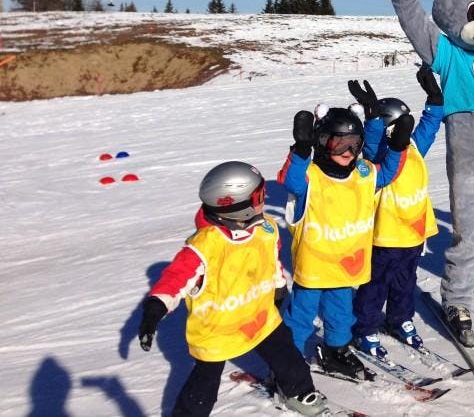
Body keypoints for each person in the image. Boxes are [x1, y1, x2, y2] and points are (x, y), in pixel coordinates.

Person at [136, 161, 329, 416]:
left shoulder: (266, 228)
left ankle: (297, 391)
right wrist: (154, 311)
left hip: (260, 317)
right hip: (218, 330)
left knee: (289, 359)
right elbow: (174, 281)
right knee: (203, 388)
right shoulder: (205, 246)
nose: (266, 198)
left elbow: (271, 263)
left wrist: (279, 288)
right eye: (260, 196)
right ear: (237, 206)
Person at [278, 103, 411, 379]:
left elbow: (385, 175)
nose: (346, 152)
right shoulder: (311, 178)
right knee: (301, 316)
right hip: (314, 269)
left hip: (345, 266)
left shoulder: (362, 173)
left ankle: (336, 349)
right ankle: (287, 361)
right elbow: (289, 181)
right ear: (323, 142)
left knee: (341, 313)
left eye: (353, 144)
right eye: (338, 143)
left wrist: (397, 147)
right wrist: (301, 149)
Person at [348, 66, 444, 359]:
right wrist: (373, 118)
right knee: (375, 284)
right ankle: (365, 328)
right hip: (386, 236)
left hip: (414, 233)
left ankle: (400, 319)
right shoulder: (376, 154)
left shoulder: (414, 146)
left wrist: (434, 98)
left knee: (405, 281)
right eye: (400, 125)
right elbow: (374, 140)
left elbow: (430, 124)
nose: (407, 130)